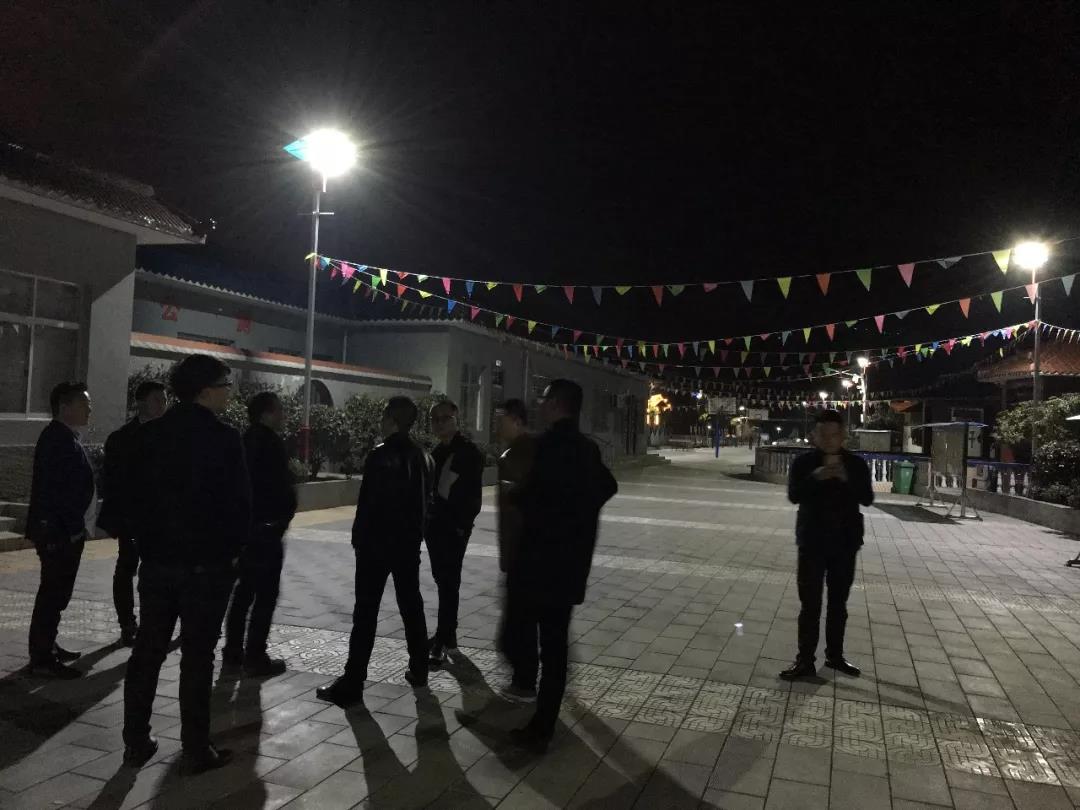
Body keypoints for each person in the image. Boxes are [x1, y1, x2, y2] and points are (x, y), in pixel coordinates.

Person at [122, 355, 251, 773]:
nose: (228, 392)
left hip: (158, 563)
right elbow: (239, 505)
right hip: (207, 568)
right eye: (225, 384)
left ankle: (135, 740)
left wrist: (146, 543)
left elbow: (132, 498)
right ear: (205, 390)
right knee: (198, 657)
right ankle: (196, 747)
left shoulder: (150, 435)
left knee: (148, 652)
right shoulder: (224, 438)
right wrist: (233, 553)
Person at [505, 379, 617, 752]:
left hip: (538, 562)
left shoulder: (545, 447)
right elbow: (608, 486)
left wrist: (521, 499)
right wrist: (579, 518)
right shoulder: (587, 449)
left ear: (556, 404)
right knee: (555, 646)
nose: (539, 405)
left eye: (543, 399)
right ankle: (544, 721)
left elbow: (526, 496)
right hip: (570, 564)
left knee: (525, 634)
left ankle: (536, 714)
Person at [316, 397, 432, 707]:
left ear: (392, 419)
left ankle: (353, 681)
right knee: (411, 605)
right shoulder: (422, 456)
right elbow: (424, 502)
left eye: (383, 416)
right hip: (407, 545)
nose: (380, 421)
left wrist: (359, 538)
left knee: (366, 613)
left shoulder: (380, 456)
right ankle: (419, 666)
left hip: (377, 545)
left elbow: (369, 504)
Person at [780, 409, 873, 680]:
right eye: (824, 434)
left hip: (845, 543)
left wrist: (847, 479)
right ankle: (805, 660)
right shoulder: (803, 463)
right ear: (814, 436)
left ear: (843, 435)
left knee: (838, 604)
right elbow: (794, 496)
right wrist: (816, 477)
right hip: (812, 541)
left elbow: (867, 499)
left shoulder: (856, 464)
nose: (830, 440)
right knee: (810, 604)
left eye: (834, 434)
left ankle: (835, 656)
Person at [223, 392, 296, 676]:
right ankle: (255, 655)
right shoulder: (270, 443)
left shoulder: (243, 440)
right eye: (279, 410)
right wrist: (282, 518)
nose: (283, 415)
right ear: (266, 413)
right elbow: (279, 487)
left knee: (243, 592)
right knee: (265, 595)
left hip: (246, 530)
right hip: (267, 529)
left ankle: (233, 651)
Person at [26, 382, 96, 679]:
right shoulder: (57, 440)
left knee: (56, 594)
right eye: (84, 404)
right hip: (58, 533)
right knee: (52, 594)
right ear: (65, 407)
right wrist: (72, 529)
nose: (89, 410)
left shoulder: (65, 437)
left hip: (63, 530)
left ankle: (47, 645)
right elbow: (56, 492)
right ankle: (42, 657)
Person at [98, 380, 168, 646]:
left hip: (163, 519)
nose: (163, 404)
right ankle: (128, 624)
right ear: (141, 403)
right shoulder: (122, 438)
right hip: (132, 518)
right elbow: (112, 480)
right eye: (157, 399)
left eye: (165, 399)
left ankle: (157, 623)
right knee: (126, 568)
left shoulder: (173, 435)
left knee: (161, 572)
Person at [425, 400, 484, 666]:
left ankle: (441, 639)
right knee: (443, 581)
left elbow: (473, 497)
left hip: (454, 529)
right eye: (434, 419)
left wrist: (462, 526)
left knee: (449, 582)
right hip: (434, 527)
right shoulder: (435, 453)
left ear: (456, 419)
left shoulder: (469, 452)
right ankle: (448, 636)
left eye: (444, 418)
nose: (439, 423)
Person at [492, 399, 538, 700]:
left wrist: (510, 555)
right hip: (522, 551)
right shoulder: (518, 453)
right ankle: (524, 678)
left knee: (517, 626)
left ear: (518, 421)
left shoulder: (518, 457)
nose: (497, 425)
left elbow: (515, 513)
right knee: (520, 621)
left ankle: (524, 683)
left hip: (523, 551)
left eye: (502, 419)